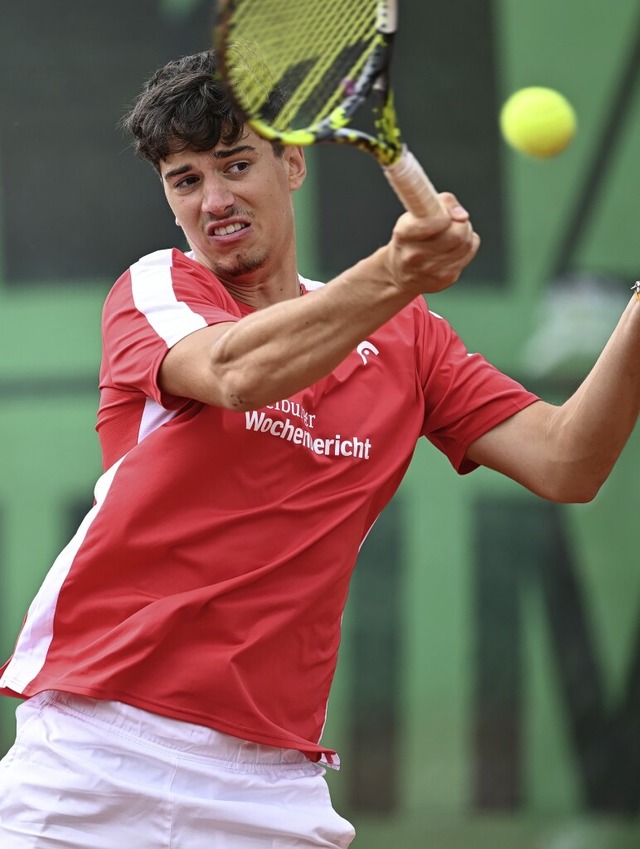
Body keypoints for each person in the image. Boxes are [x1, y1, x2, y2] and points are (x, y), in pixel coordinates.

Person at [0, 49, 638, 848]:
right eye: (185, 179)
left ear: (292, 162)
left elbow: (568, 460)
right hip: (96, 754)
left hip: (270, 787)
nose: (215, 200)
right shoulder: (157, 288)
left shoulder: (407, 339)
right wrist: (396, 271)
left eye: (235, 164)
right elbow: (238, 372)